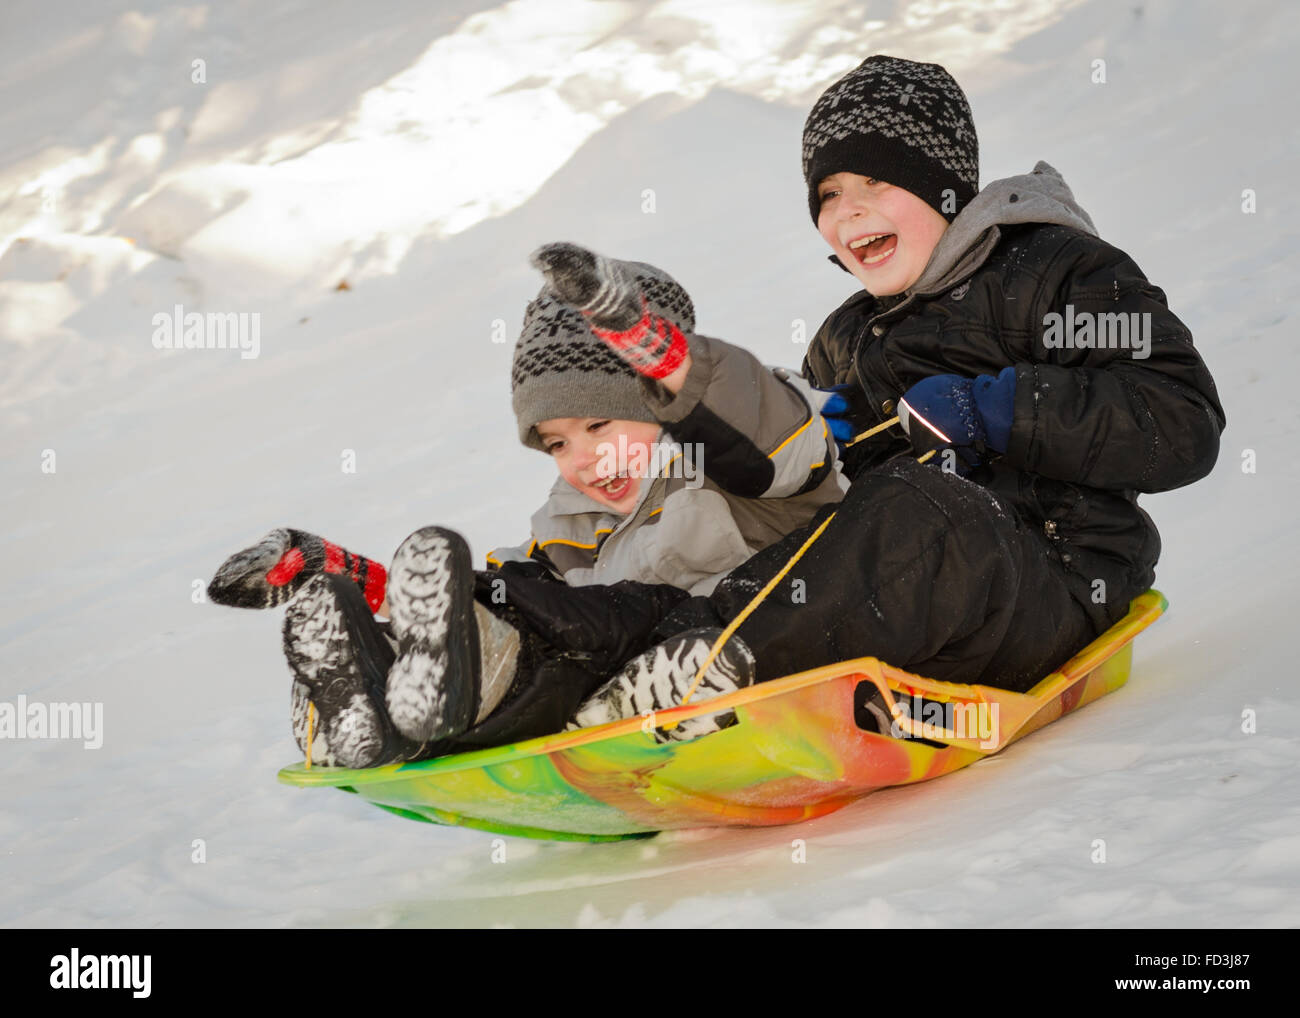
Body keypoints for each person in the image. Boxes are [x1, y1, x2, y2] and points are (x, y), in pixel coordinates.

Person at [525, 52, 1226, 735]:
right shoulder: (843, 338)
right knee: (748, 535)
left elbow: (1180, 421)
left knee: (921, 509)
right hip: (893, 604)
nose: (848, 211)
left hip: (1052, 581)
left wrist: (998, 411)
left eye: (876, 183)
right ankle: (583, 674)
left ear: (942, 186)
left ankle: (709, 677)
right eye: (828, 195)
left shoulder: (1052, 270)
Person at [206, 257, 847, 766]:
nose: (586, 459)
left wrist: (655, 348)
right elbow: (512, 586)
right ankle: (380, 702)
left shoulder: (738, 466)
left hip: (754, 648)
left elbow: (768, 432)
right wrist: (354, 576)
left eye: (600, 423)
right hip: (612, 678)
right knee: (519, 601)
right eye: (558, 443)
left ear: (665, 401)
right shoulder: (570, 522)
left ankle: (463, 681)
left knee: (596, 618)